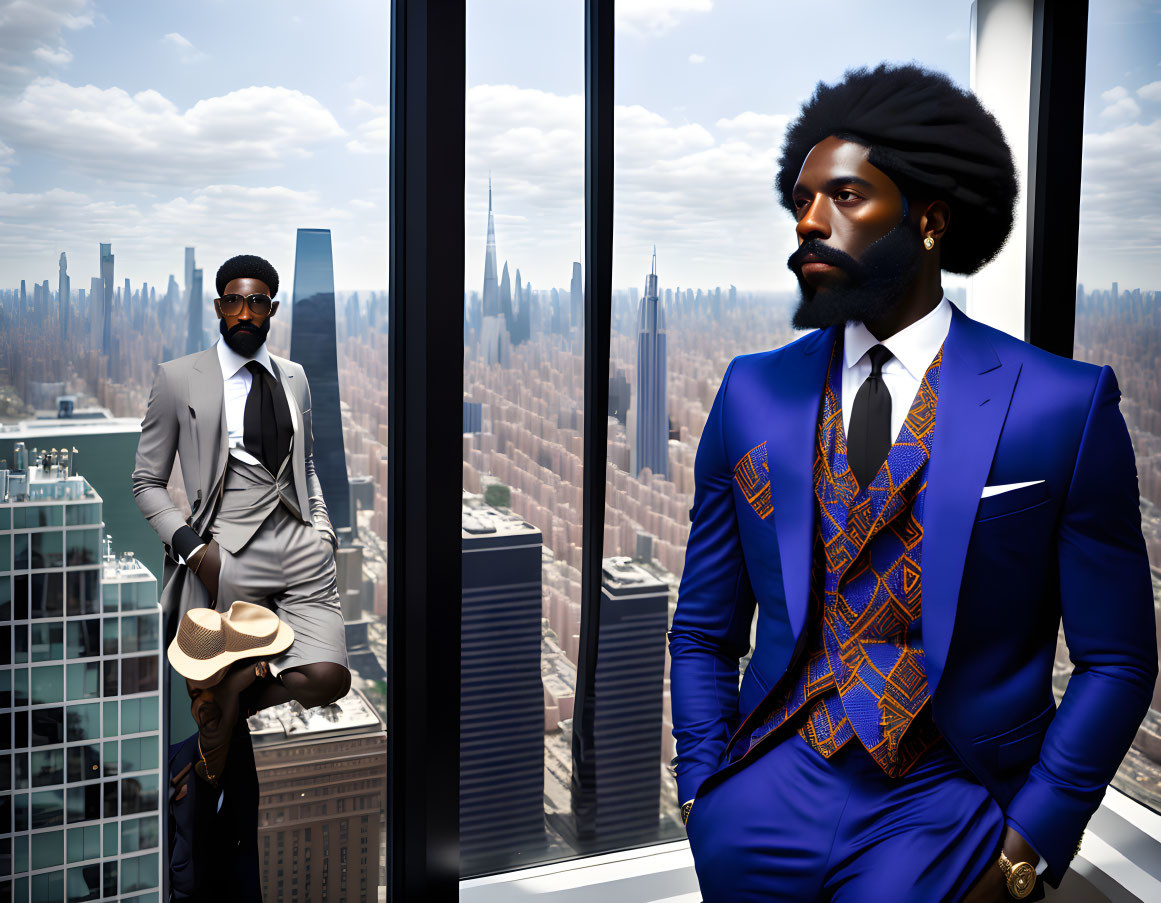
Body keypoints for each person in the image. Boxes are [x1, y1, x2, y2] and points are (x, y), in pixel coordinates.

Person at [668, 63, 1158, 903]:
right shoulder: (751, 391)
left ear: (927, 220)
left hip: (950, 795)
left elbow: (1115, 658)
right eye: (800, 201)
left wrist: (1026, 842)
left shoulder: (1061, 405)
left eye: (845, 197)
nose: (808, 223)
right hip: (766, 786)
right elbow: (702, 629)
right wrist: (704, 788)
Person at [132, 253, 352, 788]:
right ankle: (216, 720)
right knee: (200, 690)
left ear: (271, 309)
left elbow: (307, 466)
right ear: (218, 307)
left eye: (256, 302)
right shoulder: (179, 378)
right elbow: (146, 482)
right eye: (234, 301)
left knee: (329, 678)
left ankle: (233, 691)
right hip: (226, 552)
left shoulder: (295, 376)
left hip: (302, 547)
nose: (245, 312)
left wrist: (321, 531)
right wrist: (194, 550)